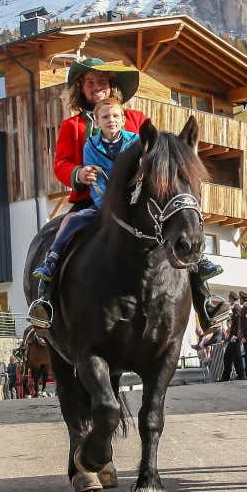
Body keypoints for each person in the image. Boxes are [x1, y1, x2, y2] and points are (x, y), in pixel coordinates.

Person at [46, 57, 227, 331]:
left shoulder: (135, 119)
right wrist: (78, 173)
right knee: (66, 232)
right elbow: (61, 164)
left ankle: (205, 301)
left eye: (102, 81)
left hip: (137, 201)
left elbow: (156, 153)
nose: (96, 87)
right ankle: (46, 300)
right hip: (92, 200)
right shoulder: (72, 126)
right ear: (80, 88)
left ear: (112, 86)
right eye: (90, 82)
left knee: (175, 234)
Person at [32, 92, 140, 282]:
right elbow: (94, 181)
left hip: (135, 200)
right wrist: (106, 205)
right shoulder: (88, 145)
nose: (111, 120)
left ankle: (193, 265)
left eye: (115, 116)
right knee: (73, 220)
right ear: (96, 122)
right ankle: (52, 259)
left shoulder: (136, 141)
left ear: (123, 120)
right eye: (105, 117)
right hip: (103, 203)